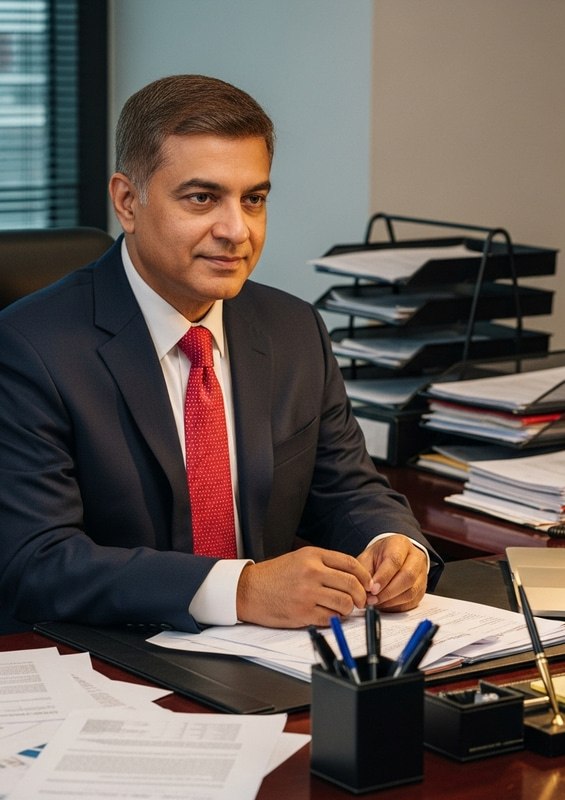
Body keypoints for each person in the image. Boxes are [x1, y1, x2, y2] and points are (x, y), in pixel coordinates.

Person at [0, 74, 443, 636]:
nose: (237, 230)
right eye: (202, 197)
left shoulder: (294, 328)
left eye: (253, 199)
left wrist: (392, 543)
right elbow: (37, 562)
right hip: (114, 665)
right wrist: (241, 589)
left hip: (270, 661)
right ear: (127, 201)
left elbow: (346, 487)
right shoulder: (29, 347)